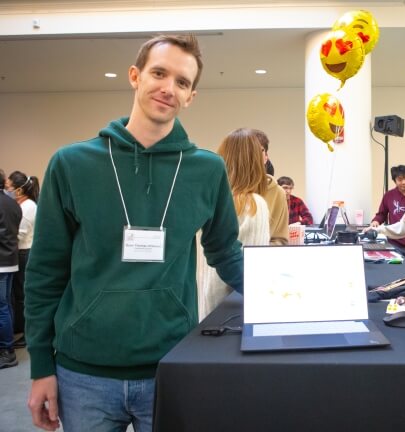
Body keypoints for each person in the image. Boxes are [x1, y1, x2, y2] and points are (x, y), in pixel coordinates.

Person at [25, 34, 243, 432]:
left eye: (181, 81)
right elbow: (45, 271)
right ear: (134, 76)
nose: (168, 88)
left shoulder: (207, 170)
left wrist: (288, 297)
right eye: (159, 73)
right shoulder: (72, 164)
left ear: (191, 96)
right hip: (83, 374)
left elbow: (227, 252)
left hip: (170, 365)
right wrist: (40, 365)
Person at [196, 128, 271, 320]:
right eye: (262, 152)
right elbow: (254, 267)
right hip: (233, 308)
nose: (266, 158)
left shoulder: (209, 199)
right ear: (254, 159)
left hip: (203, 304)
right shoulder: (254, 205)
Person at [5, 171, 40, 350]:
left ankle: (28, 334)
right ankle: (21, 329)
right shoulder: (21, 204)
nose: (6, 190)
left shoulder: (28, 207)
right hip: (20, 252)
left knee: (23, 297)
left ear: (19, 190)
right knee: (18, 296)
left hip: (25, 253)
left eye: (8, 187)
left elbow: (20, 234)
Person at [369, 165, 405, 256]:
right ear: (394, 181)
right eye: (399, 180)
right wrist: (376, 221)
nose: (403, 182)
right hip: (395, 244)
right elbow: (381, 214)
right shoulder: (389, 195)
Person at [0, 169, 22, 369]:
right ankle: (7, 346)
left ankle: (7, 350)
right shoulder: (13, 203)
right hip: (10, 260)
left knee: (2, 307)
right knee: (6, 304)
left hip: (2, 263)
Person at [251, 129, 288, 245]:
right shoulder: (226, 188)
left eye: (258, 151)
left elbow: (280, 239)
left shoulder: (277, 192)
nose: (252, 157)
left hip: (262, 259)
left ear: (266, 156)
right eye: (248, 152)